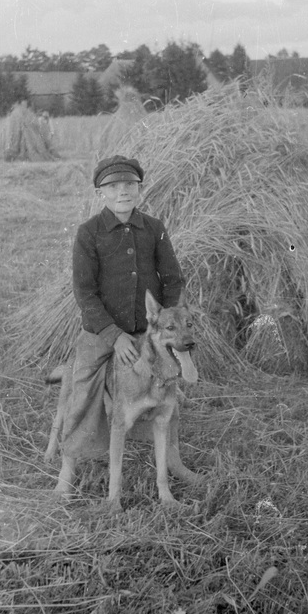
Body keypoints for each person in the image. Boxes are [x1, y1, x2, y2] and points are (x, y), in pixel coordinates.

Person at [62, 155, 185, 456]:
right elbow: (84, 292)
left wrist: (164, 322)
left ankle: (172, 458)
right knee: (84, 386)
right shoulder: (89, 233)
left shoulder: (154, 228)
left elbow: (173, 279)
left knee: (167, 380)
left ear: (140, 189)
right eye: (114, 186)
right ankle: (70, 463)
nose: (123, 192)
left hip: (147, 331)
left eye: (130, 184)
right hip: (100, 332)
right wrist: (113, 335)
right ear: (100, 193)